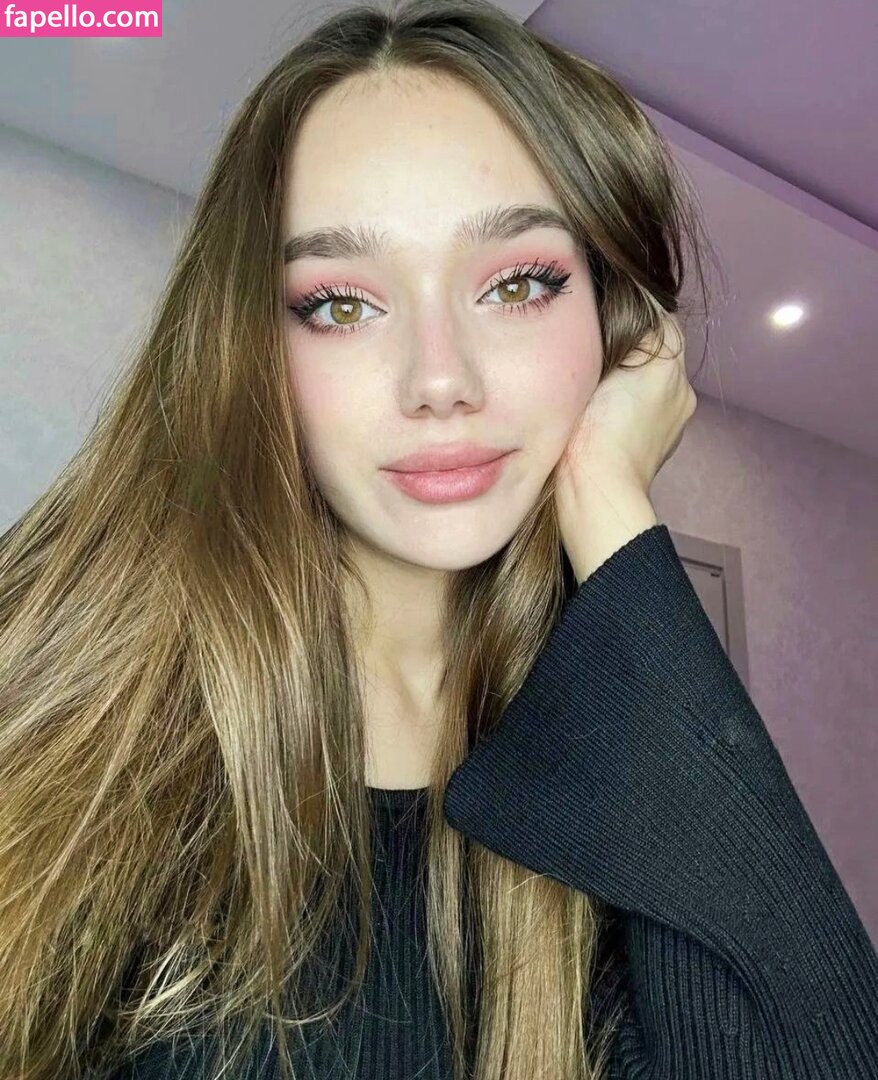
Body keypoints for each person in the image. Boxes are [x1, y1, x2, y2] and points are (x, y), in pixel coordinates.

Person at [0, 1, 875, 1079]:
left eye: (517, 284)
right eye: (340, 304)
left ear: (614, 326)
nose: (439, 380)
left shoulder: (619, 753)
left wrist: (612, 505)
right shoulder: (47, 681)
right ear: (248, 341)